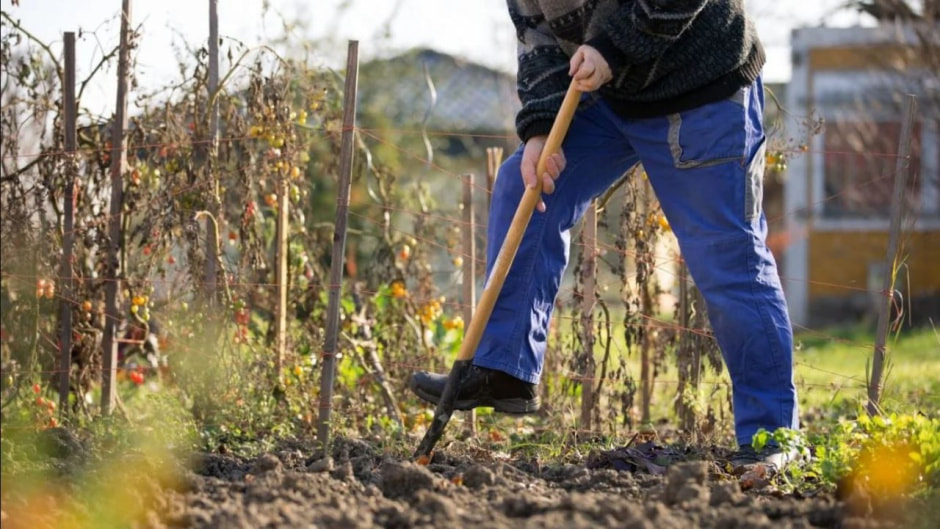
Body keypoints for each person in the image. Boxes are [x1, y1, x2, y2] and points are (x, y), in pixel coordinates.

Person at [409, 0, 799, 471]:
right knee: (524, 184)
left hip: (700, 89)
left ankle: (771, 438)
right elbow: (539, 41)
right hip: (613, 96)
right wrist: (539, 128)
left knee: (727, 259)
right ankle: (505, 367)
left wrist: (610, 47)